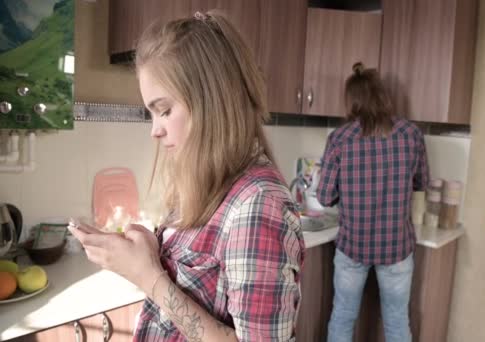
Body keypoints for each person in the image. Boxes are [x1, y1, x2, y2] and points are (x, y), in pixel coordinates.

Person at [68, 11, 305, 342]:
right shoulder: (207, 183)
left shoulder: (258, 205)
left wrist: (147, 275)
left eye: (164, 110)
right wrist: (155, 254)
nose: (155, 130)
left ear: (214, 101)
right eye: (151, 113)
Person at [316, 62, 429, 342]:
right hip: (397, 247)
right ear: (382, 96)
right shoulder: (411, 135)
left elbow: (324, 196)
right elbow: (422, 183)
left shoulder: (339, 139)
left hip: (353, 246)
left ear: (352, 101)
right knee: (396, 321)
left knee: (342, 316)